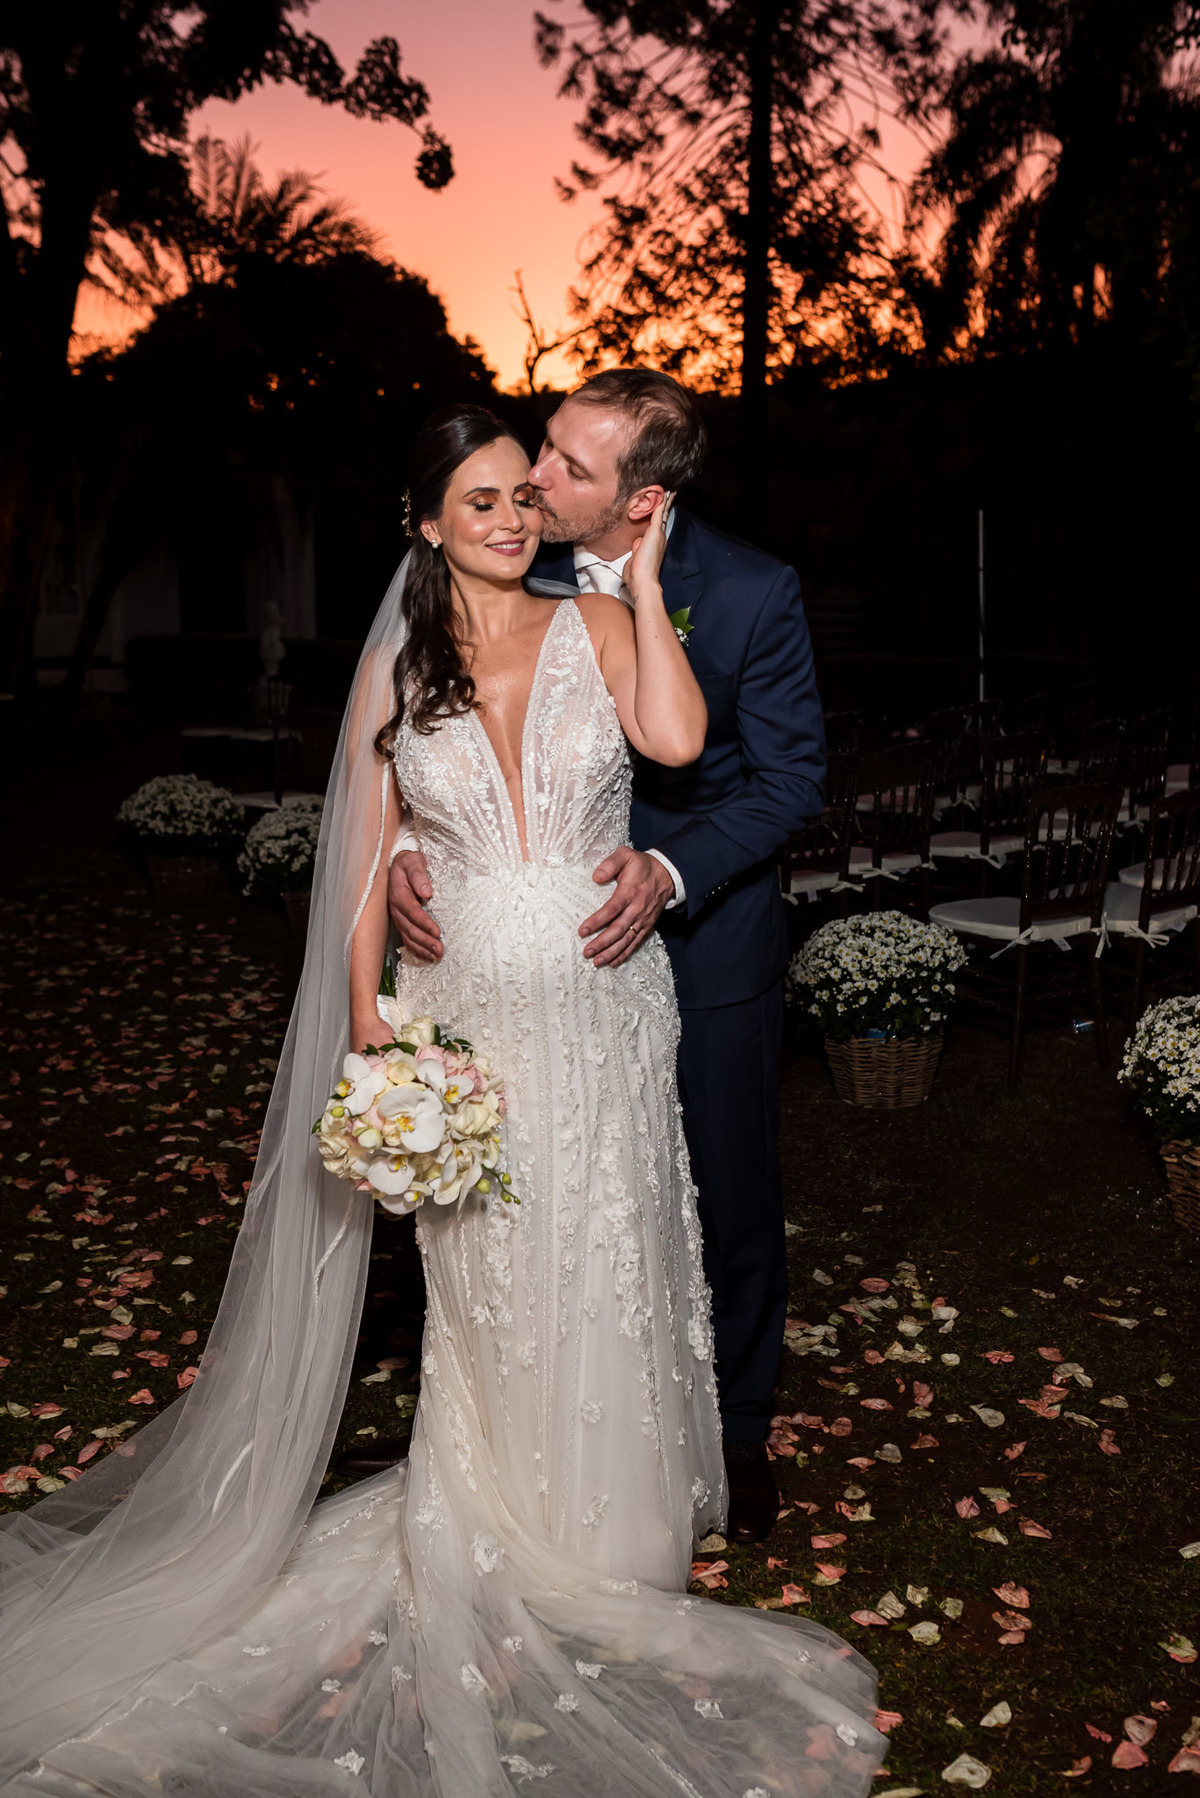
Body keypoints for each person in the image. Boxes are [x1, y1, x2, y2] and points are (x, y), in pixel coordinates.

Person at [0, 405, 881, 1795]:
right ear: (426, 522)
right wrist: (367, 1023)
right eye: (480, 501)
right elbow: (361, 858)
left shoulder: (598, 620)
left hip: (606, 1006)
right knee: (491, 1276)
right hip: (463, 1003)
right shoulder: (396, 670)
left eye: (522, 496)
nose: (514, 517)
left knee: (612, 1243)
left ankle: (617, 1526)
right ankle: (504, 1513)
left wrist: (643, 586)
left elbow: (677, 736)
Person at [385, 371, 826, 1545]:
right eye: (549, 451)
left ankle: (726, 1427)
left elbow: (787, 780)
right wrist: (410, 852)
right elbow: (431, 740)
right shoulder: (498, 559)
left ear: (646, 502)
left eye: (572, 470)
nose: (535, 481)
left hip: (700, 937)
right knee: (529, 1193)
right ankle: (528, 1426)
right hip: (518, 952)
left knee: (716, 1194)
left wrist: (671, 873)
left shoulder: (748, 592)